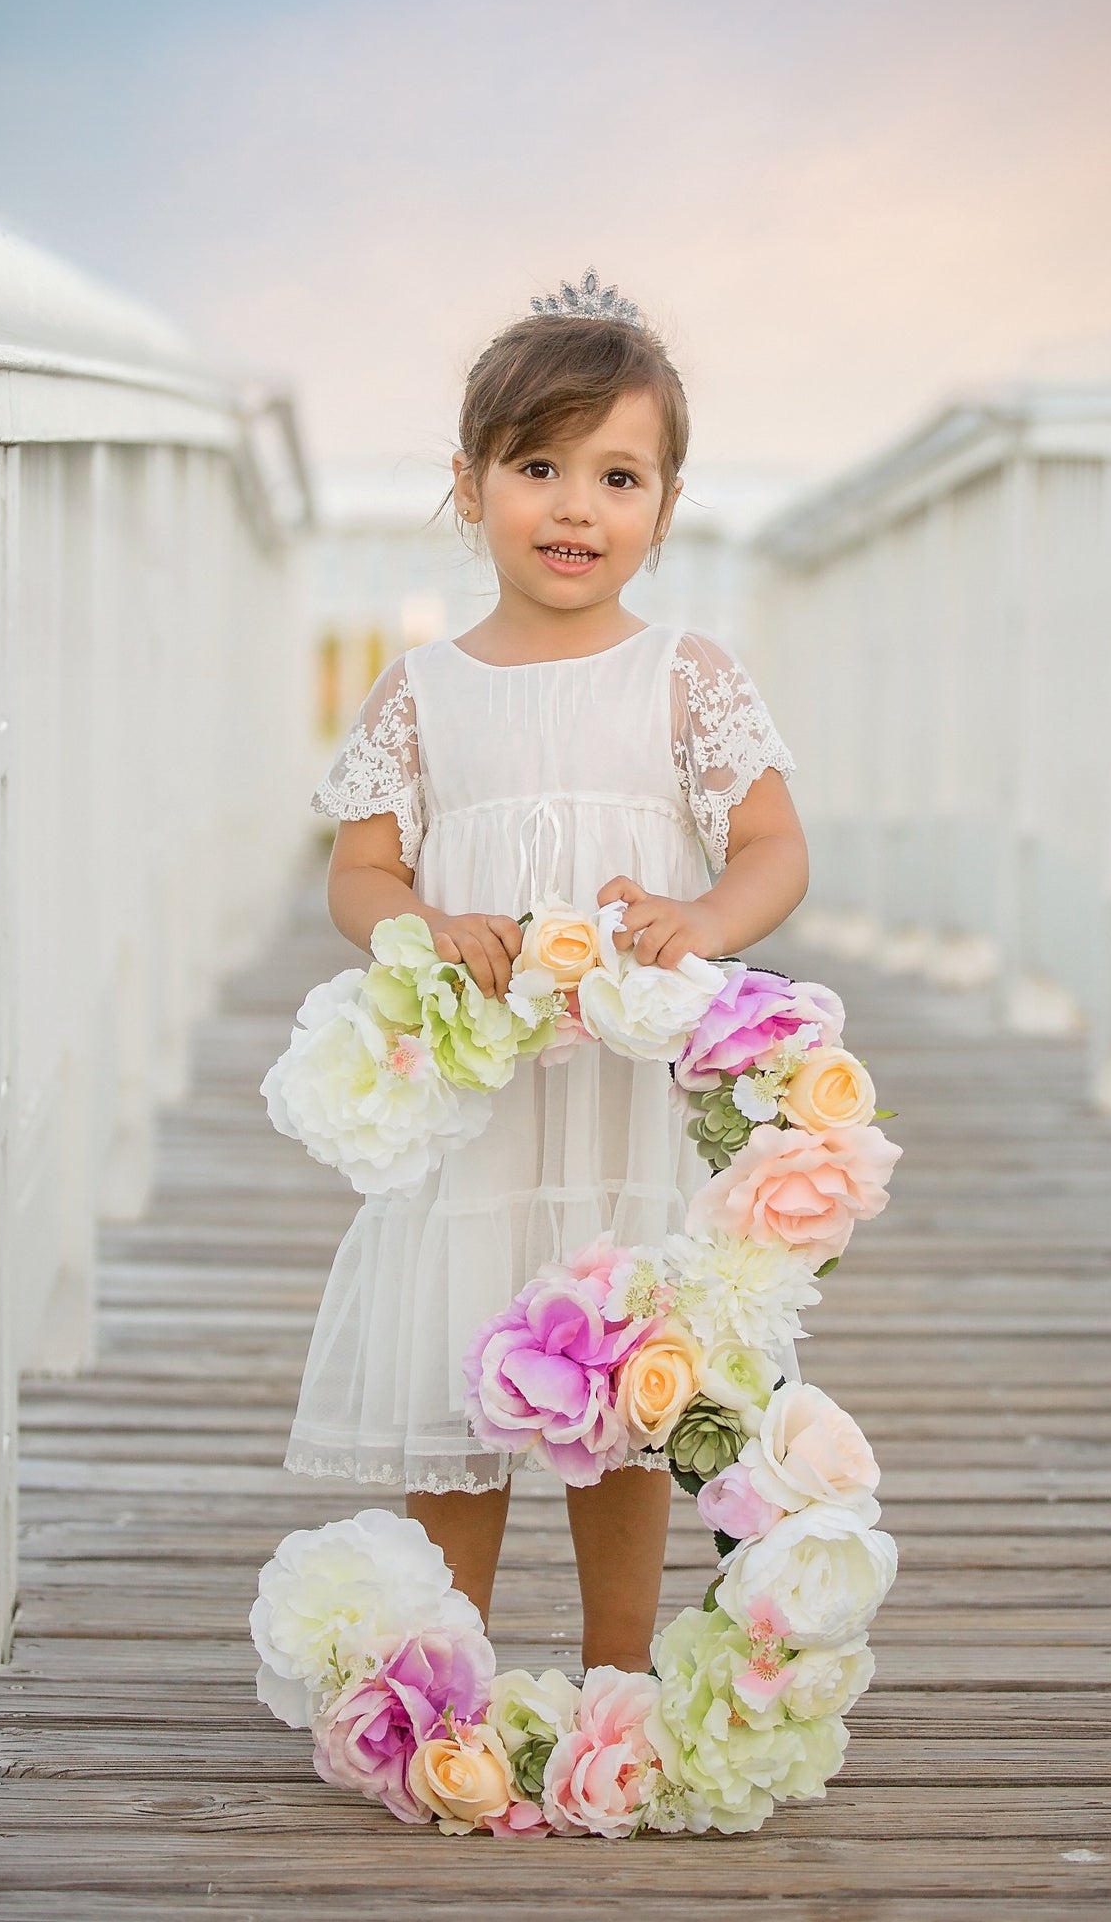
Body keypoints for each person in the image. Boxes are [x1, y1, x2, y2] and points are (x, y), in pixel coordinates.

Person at [286, 270, 809, 1674]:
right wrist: (418, 925)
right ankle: (438, 1667)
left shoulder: (682, 678)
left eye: (616, 474)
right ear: (470, 486)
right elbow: (361, 867)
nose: (575, 507)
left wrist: (704, 918)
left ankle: (618, 1670)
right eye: (537, 467)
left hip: (622, 1098)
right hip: (480, 1094)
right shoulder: (423, 691)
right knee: (458, 1369)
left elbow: (769, 845)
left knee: (620, 1381)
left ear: (665, 500)